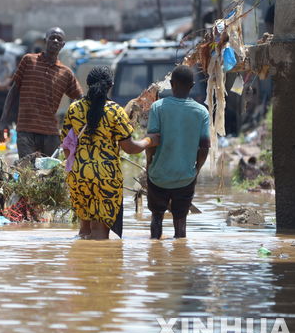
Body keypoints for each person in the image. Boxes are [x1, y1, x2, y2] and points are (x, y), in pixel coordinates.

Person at [61, 66, 158, 240]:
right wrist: (149, 140)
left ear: (88, 84)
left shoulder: (74, 109)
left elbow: (66, 145)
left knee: (84, 231)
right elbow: (129, 148)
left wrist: (76, 167)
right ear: (111, 85)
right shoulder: (115, 111)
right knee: (100, 234)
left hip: (79, 174)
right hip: (105, 176)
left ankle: (81, 257)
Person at [146, 65, 210, 239]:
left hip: (158, 175)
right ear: (192, 86)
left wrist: (149, 164)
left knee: (156, 216)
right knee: (181, 221)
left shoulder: (157, 107)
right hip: (185, 177)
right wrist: (196, 169)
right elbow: (204, 147)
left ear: (172, 84)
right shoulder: (201, 112)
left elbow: (152, 142)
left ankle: (155, 251)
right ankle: (180, 252)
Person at [0, 27, 82, 158]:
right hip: (26, 131)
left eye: (59, 39)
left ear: (63, 45)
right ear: (45, 40)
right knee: (28, 168)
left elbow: (79, 99)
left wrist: (72, 127)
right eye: (52, 37)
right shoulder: (28, 61)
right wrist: (3, 121)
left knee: (50, 169)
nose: (55, 41)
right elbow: (13, 91)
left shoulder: (66, 73)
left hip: (51, 133)